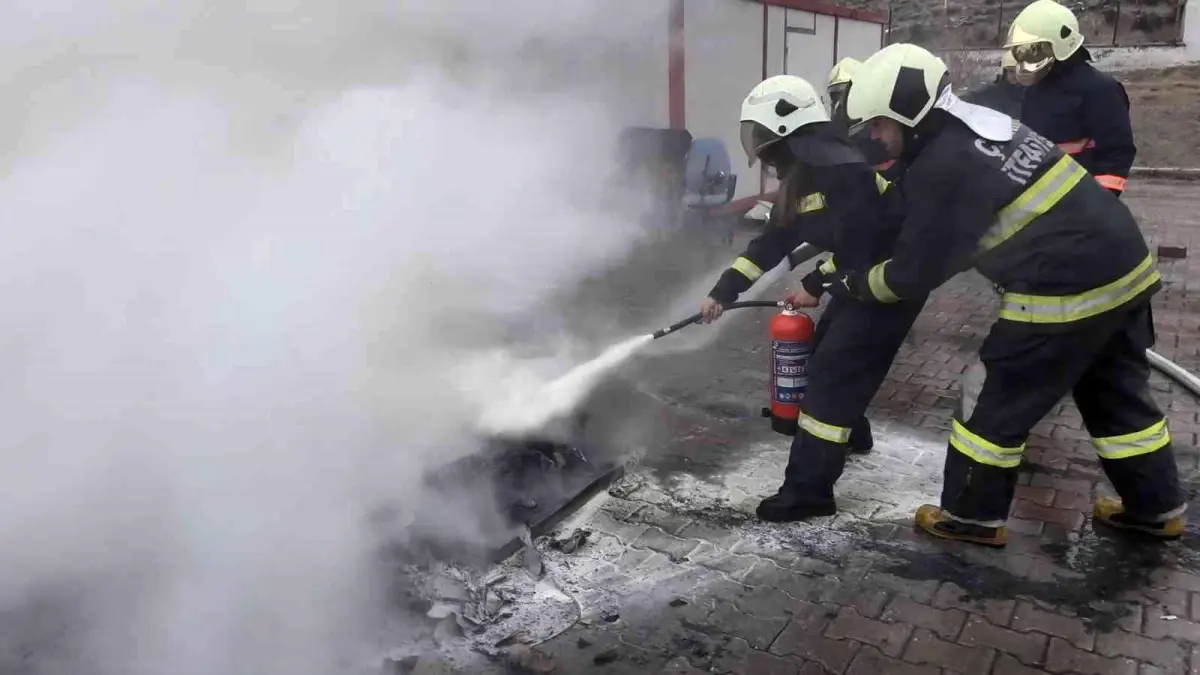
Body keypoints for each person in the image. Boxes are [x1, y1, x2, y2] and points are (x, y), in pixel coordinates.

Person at [835, 42, 1184, 547]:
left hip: (1062, 290)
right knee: (1115, 396)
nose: (874, 136)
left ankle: (971, 517)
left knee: (991, 396)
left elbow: (913, 273)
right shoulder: (981, 124)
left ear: (907, 114)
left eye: (878, 125)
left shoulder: (944, 164)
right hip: (1123, 267)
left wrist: (852, 283)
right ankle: (1155, 509)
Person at [700, 74, 927, 522]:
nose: (759, 145)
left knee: (830, 379)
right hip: (861, 278)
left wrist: (814, 283)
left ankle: (809, 493)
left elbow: (863, 243)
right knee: (827, 355)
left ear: (785, 129)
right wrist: (723, 291)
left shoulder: (840, 168)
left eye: (762, 134)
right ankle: (854, 433)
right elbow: (773, 242)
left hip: (889, 280)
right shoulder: (803, 174)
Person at [1006, 0, 1134, 197]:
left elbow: (1116, 154)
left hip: (1078, 202)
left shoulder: (1100, 89)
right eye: (1021, 51)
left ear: (1060, 43)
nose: (1027, 59)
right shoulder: (1034, 91)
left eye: (1034, 49)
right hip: (1037, 202)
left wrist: (1097, 200)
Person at [826, 57, 902, 181]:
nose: (840, 103)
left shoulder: (878, 128)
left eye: (846, 94)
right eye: (835, 96)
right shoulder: (832, 134)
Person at [961, 51, 1025, 119]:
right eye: (1011, 71)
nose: (1016, 75)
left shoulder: (1030, 96)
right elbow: (960, 103)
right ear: (1005, 72)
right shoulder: (988, 93)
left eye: (1021, 71)